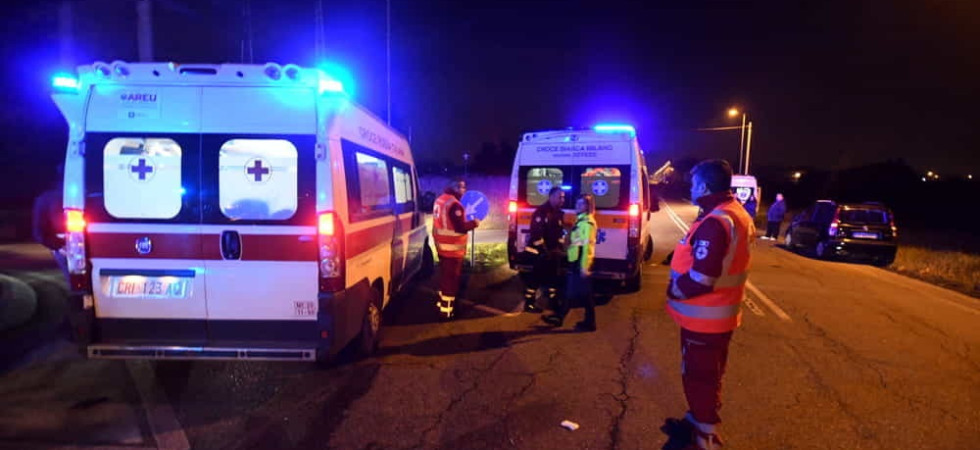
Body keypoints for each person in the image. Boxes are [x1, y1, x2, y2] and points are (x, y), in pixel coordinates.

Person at [666, 160, 754, 449]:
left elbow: (702, 278)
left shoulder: (716, 221)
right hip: (719, 315)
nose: (691, 189)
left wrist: (675, 290)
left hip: (705, 318)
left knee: (699, 376)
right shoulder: (734, 213)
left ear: (704, 186)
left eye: (694, 184)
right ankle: (697, 420)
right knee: (709, 373)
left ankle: (705, 436)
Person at [543, 194, 597, 332]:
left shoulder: (587, 224)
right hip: (575, 259)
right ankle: (589, 322)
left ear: (588, 207)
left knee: (571, 291)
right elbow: (576, 242)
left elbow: (587, 248)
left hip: (579, 262)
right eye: (577, 203)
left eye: (581, 204)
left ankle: (560, 317)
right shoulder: (580, 221)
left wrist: (584, 267)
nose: (577, 206)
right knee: (584, 294)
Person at [432, 178, 480, 320]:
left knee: (444, 277)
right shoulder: (454, 205)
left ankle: (441, 305)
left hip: (441, 246)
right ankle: (447, 312)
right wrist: (474, 223)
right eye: (462, 187)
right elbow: (460, 227)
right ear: (455, 188)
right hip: (452, 249)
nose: (464, 190)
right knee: (451, 280)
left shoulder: (440, 199)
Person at [521, 186, 566, 313]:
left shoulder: (559, 213)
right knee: (535, 279)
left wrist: (559, 247)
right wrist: (544, 251)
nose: (562, 200)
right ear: (551, 197)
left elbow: (560, 233)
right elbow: (536, 234)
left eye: (563, 197)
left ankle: (553, 302)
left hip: (552, 253)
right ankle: (529, 303)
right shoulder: (541, 212)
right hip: (539, 253)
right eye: (560, 197)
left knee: (554, 278)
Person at [32, 164, 69, 281]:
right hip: (62, 246)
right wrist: (60, 246)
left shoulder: (45, 198)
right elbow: (39, 232)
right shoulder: (46, 198)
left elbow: (39, 232)